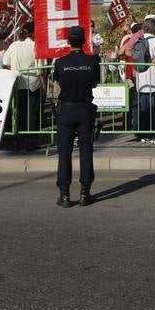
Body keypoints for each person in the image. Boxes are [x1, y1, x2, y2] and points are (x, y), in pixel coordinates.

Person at [52, 25, 100, 208]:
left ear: (68, 41)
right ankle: (84, 193)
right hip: (85, 109)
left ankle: (64, 195)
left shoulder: (60, 63)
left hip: (67, 110)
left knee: (64, 152)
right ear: (84, 41)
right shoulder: (93, 62)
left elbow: (58, 81)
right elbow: (95, 83)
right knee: (86, 150)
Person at [128, 17, 155, 142]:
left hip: (141, 81)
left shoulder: (138, 41)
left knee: (143, 110)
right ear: (154, 29)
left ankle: (144, 134)